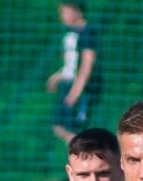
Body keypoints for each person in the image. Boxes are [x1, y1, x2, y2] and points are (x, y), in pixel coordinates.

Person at [45, 3, 100, 145]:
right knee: (58, 127)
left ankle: (84, 156)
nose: (61, 16)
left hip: (82, 89)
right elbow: (70, 64)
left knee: (76, 130)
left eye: (64, 12)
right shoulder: (70, 33)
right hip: (68, 85)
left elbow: (87, 63)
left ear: (77, 12)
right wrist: (57, 76)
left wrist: (76, 91)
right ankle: (80, 155)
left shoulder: (87, 32)